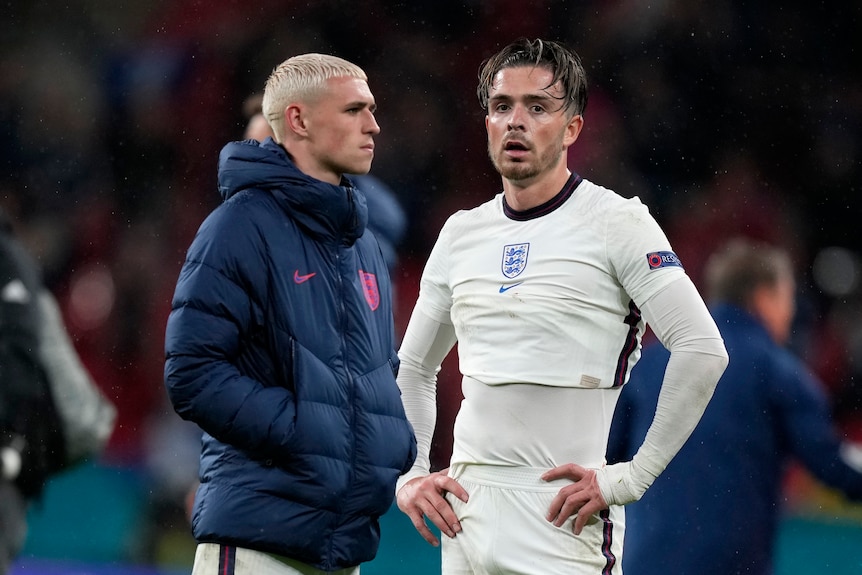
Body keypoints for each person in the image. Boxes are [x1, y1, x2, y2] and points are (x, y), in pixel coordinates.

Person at [394, 37, 729, 574]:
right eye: (502, 107)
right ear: (486, 123)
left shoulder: (618, 223)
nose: (515, 121)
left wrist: (631, 477)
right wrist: (409, 472)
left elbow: (703, 349)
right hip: (466, 518)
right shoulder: (461, 233)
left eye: (538, 107)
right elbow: (414, 367)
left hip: (562, 524)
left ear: (572, 128)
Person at [164, 53, 417, 575]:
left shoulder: (363, 245)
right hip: (259, 544)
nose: (373, 124)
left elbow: (376, 374)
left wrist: (392, 446)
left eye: (370, 109)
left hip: (342, 549)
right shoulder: (237, 226)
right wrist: (303, 431)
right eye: (353, 110)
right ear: (298, 121)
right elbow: (191, 371)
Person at [607, 237, 862, 575]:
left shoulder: (647, 364)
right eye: (787, 298)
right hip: (732, 564)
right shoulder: (778, 373)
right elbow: (828, 461)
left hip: (646, 561)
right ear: (765, 297)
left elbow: (606, 458)